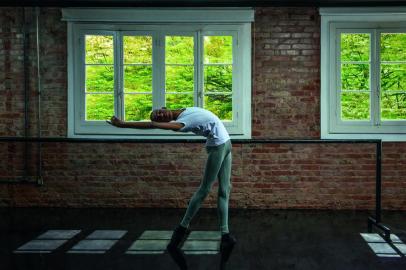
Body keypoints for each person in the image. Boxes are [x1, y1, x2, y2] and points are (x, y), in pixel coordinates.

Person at [107, 107, 236, 270]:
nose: (160, 115)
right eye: (159, 118)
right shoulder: (181, 124)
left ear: (163, 108)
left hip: (226, 143)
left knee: (225, 190)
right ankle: (181, 230)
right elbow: (152, 125)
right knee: (204, 190)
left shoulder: (185, 110)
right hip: (217, 147)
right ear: (165, 123)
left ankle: (226, 235)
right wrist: (123, 124)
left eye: (158, 112)